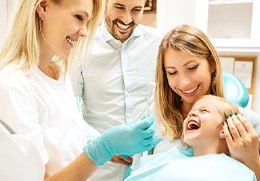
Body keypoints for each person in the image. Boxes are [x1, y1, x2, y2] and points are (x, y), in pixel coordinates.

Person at [0, 0, 161, 180]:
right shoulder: (13, 86)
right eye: (78, 17)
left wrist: (110, 147)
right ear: (43, 7)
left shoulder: (58, 73)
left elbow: (71, 136)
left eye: (87, 22)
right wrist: (103, 148)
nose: (85, 32)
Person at [69, 0, 165, 180]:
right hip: (100, 168)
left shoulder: (161, 43)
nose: (127, 18)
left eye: (136, 10)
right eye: (119, 7)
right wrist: (104, 145)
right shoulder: (80, 45)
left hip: (151, 166)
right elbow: (67, 110)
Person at [154, 24, 260, 180]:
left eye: (192, 67)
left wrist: (252, 160)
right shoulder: (157, 122)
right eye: (172, 72)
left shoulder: (247, 124)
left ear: (211, 63)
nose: (184, 82)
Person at [125, 95, 259, 181]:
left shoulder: (237, 172)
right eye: (190, 113)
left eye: (204, 111)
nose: (192, 113)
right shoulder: (168, 159)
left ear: (226, 129)